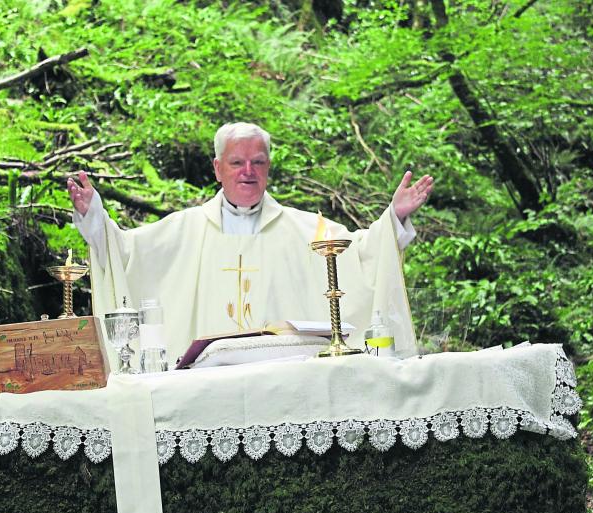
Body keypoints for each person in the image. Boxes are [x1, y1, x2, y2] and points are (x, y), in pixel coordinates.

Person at [68, 122, 433, 363]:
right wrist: (94, 216)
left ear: (268, 167)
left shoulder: (307, 230)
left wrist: (394, 217)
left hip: (287, 380)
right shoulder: (184, 230)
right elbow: (125, 253)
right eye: (237, 162)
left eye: (258, 162)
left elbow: (363, 254)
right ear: (217, 169)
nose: (248, 172)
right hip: (206, 381)